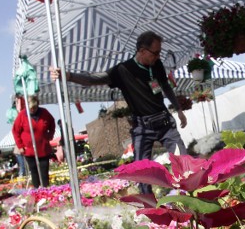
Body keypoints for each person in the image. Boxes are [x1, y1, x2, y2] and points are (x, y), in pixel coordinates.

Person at [51, 31, 188, 194]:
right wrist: (68, 75)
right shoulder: (123, 70)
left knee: (184, 163)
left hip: (165, 123)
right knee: (142, 174)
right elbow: (94, 79)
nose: (158, 56)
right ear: (142, 50)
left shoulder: (156, 65)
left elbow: (165, 87)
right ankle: (150, 209)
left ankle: (191, 201)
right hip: (142, 128)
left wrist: (179, 110)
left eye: (160, 52)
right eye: (156, 52)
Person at [12, 95, 55, 188]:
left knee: (44, 170)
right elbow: (15, 131)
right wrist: (20, 146)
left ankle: (46, 188)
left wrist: (50, 134)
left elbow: (52, 123)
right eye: (30, 108)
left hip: (43, 147)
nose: (32, 110)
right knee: (34, 170)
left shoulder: (44, 112)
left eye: (34, 108)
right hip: (29, 149)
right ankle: (37, 189)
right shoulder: (22, 115)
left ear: (38, 104)